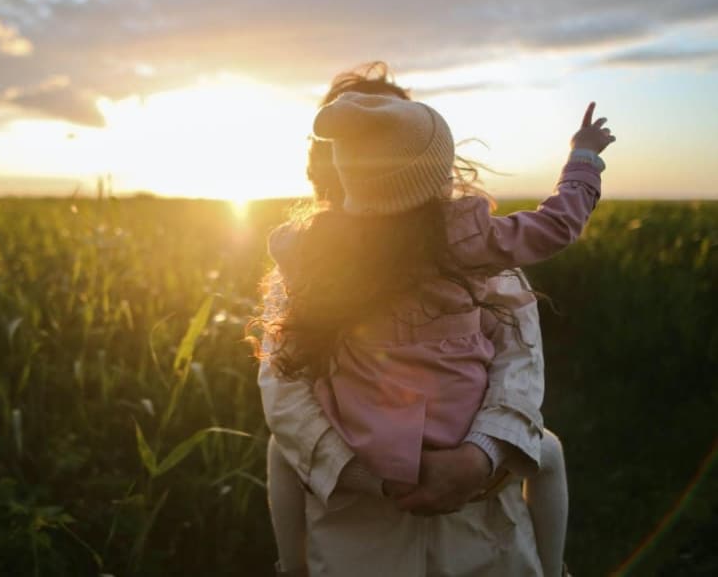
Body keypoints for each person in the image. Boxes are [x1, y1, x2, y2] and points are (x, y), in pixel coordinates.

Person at [257, 63, 613, 576]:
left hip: (485, 531)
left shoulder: (313, 255)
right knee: (548, 452)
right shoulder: (471, 243)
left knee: (279, 456)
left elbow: (519, 361)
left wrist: (479, 457)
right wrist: (367, 476)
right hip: (355, 533)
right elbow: (285, 390)